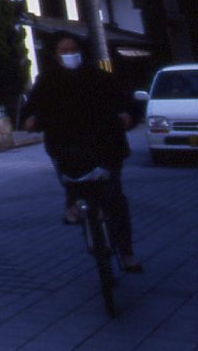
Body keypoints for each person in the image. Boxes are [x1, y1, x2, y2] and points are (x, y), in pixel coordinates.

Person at [20, 33, 140, 271]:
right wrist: (30, 120)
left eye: (72, 49)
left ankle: (126, 253)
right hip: (67, 147)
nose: (69, 55)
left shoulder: (100, 77)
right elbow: (29, 110)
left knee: (114, 197)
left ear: (82, 51)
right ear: (55, 56)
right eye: (63, 51)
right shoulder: (47, 82)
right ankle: (73, 204)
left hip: (106, 145)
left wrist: (128, 115)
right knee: (71, 180)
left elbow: (127, 102)